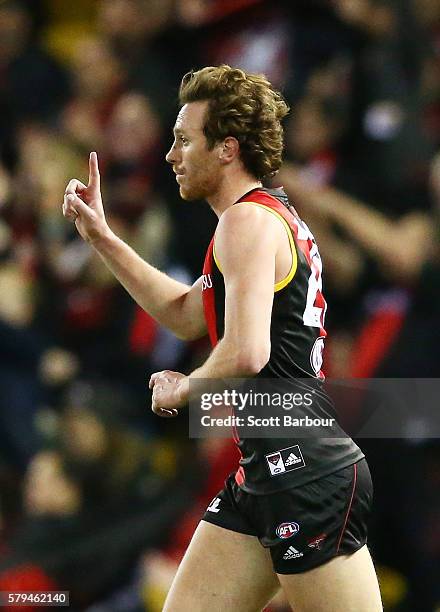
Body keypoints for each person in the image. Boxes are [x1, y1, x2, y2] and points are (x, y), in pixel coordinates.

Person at [62, 65, 382, 611]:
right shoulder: (252, 221)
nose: (171, 155)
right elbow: (188, 314)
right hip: (267, 467)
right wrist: (103, 236)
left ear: (227, 148)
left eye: (185, 140)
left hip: (303, 469)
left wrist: (185, 389)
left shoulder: (245, 223)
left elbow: (246, 351)